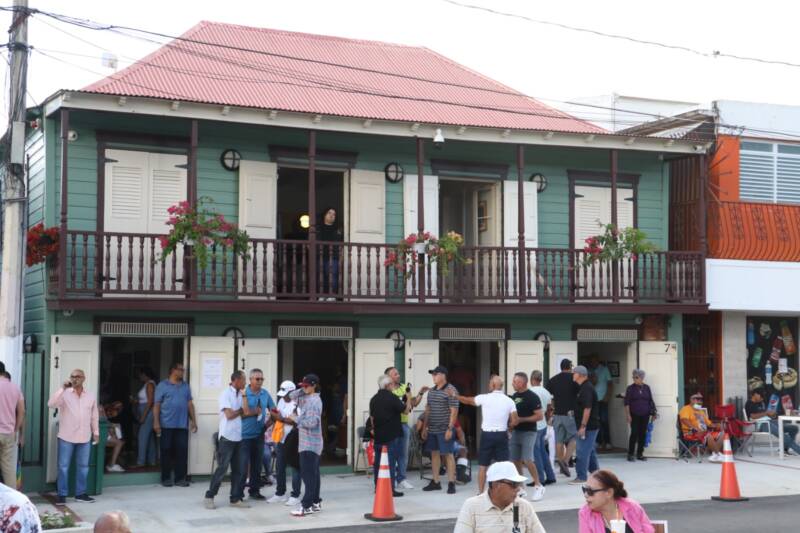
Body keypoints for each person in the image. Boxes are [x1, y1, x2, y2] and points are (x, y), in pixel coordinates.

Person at [451, 375, 518, 494]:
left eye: (489, 383)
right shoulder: (509, 400)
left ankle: (481, 493)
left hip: (487, 436)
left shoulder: (485, 398)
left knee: (483, 466)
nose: (488, 385)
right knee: (503, 466)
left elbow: (468, 400)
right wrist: (509, 430)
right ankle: (502, 492)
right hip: (501, 435)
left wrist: (455, 396)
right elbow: (515, 421)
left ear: (493, 385)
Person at [47, 368, 100, 504]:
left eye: (78, 376)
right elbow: (51, 404)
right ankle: (62, 495)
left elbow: (94, 416)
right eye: (72, 376)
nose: (74, 378)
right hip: (66, 436)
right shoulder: (65, 394)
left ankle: (80, 494)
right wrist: (62, 389)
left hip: (84, 437)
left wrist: (96, 433)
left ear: (83, 378)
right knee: (63, 467)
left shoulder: (90, 396)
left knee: (83, 466)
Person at [454, 461, 547, 533]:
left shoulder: (523, 506)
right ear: (496, 485)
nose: (518, 489)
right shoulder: (472, 506)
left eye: (519, 484)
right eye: (514, 484)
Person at [205, 371, 251, 509]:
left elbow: (246, 411)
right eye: (243, 380)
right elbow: (230, 415)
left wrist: (243, 397)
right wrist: (240, 411)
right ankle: (209, 496)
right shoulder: (225, 394)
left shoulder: (241, 394)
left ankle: (235, 499)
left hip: (238, 437)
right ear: (236, 380)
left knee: (238, 470)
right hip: (227, 437)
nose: (245, 383)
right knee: (222, 468)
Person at [153, 362, 197, 487]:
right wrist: (156, 422)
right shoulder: (162, 385)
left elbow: (190, 404)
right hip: (166, 424)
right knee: (166, 451)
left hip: (182, 425)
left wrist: (193, 420)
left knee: (181, 451)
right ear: (173, 370)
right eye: (180, 370)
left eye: (183, 370)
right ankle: (166, 478)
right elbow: (156, 405)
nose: (183, 372)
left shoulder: (185, 386)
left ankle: (180, 479)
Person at [385, 366, 428, 490]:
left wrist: (420, 393)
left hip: (403, 425)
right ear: (388, 377)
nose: (398, 375)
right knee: (391, 453)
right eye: (395, 374)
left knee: (403, 453)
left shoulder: (405, 388)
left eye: (398, 373)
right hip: (391, 426)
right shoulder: (386, 390)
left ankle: (402, 479)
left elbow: (413, 403)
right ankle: (391, 479)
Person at [369, 374, 410, 496]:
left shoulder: (374, 399)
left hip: (379, 436)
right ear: (387, 385)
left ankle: (378, 487)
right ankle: (390, 489)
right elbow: (406, 411)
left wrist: (374, 430)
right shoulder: (392, 397)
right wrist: (408, 398)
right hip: (391, 436)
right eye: (392, 384)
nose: (394, 386)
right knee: (390, 463)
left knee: (378, 463)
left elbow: (371, 418)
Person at [289, 374, 324, 517]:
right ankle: (316, 502)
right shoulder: (305, 397)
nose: (304, 387)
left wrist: (295, 419)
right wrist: (302, 389)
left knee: (308, 476)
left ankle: (306, 506)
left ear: (314, 385)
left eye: (307, 385)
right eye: (303, 385)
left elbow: (312, 423)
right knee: (314, 475)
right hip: (310, 444)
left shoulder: (314, 402)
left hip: (309, 444)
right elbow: (291, 396)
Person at [421, 365, 459, 494]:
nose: (433, 376)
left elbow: (454, 411)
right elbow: (428, 410)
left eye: (435, 374)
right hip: (432, 429)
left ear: (443, 375)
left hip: (445, 429)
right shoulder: (431, 391)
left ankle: (451, 483)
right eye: (432, 374)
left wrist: (450, 428)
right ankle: (436, 482)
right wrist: (425, 427)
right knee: (434, 454)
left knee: (448, 454)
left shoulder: (450, 390)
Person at [578, 469, 654, 533]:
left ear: (609, 493)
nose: (586, 495)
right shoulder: (586, 513)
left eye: (590, 491)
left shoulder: (632, 507)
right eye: (585, 490)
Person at [240, 368, 275, 501]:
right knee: (242, 466)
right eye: (257, 379)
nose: (260, 381)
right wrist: (253, 411)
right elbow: (240, 413)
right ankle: (238, 494)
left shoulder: (265, 394)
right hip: (243, 435)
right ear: (250, 380)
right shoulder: (243, 393)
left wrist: (267, 425)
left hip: (258, 435)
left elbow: (274, 411)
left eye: (262, 379)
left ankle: (254, 491)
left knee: (256, 465)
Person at [509, 372, 545, 501]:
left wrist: (521, 420)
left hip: (529, 432)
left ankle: (538, 485)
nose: (513, 383)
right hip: (515, 432)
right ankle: (521, 487)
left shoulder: (532, 397)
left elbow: (539, 416)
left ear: (522, 383)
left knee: (527, 459)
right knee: (515, 460)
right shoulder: (514, 396)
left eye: (515, 381)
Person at [267, 380, 302, 506]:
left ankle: (295, 495)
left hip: (293, 439)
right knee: (280, 466)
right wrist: (276, 417)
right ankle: (280, 493)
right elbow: (279, 415)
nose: (283, 396)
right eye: (282, 394)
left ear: (292, 392)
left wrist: (280, 418)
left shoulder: (298, 402)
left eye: (285, 394)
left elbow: (295, 421)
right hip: (281, 438)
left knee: (295, 467)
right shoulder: (282, 401)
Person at [546, 359, 579, 478]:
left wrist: (552, 411)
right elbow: (579, 395)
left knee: (559, 440)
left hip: (557, 414)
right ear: (569, 367)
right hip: (570, 414)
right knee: (575, 437)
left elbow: (550, 397)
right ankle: (565, 462)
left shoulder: (553, 380)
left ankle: (561, 466)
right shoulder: (574, 379)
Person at [745, 389, 800, 455]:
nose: (762, 398)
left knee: (794, 428)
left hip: (770, 421)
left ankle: (784, 449)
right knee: (783, 436)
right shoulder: (749, 403)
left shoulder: (760, 403)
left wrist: (772, 414)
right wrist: (766, 413)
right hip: (762, 425)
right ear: (755, 394)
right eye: (761, 396)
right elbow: (752, 416)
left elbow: (766, 414)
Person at [571, 366, 600, 484]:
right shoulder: (582, 387)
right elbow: (582, 406)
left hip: (588, 426)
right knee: (590, 450)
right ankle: (597, 475)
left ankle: (581, 476)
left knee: (582, 451)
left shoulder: (586, 388)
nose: (573, 374)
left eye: (574, 373)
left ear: (580, 374)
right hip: (588, 425)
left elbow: (587, 408)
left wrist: (583, 426)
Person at [679, 392, 725, 462]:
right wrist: (694, 427)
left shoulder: (701, 411)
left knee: (722, 434)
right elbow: (684, 419)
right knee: (708, 435)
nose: (700, 402)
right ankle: (718, 454)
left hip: (703, 432)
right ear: (692, 400)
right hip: (690, 433)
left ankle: (715, 454)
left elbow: (709, 424)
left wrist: (717, 425)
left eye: (701, 400)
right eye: (698, 400)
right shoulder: (686, 409)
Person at [529, 370, 556, 486]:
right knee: (543, 452)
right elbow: (550, 408)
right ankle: (550, 476)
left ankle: (540, 478)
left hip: (534, 425)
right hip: (543, 424)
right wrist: (548, 418)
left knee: (536, 453)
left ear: (531, 379)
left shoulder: (530, 392)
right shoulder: (546, 392)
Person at [623, 370, 657, 462]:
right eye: (633, 377)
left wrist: (654, 412)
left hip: (645, 414)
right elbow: (626, 403)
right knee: (634, 433)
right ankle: (630, 454)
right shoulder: (630, 388)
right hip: (634, 414)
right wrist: (628, 415)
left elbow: (650, 400)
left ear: (642, 378)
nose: (634, 379)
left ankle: (640, 454)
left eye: (636, 377)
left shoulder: (647, 388)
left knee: (642, 433)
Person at [0, 361, 24, 488]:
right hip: (9, 433)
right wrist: (15, 430)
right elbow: (22, 411)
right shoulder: (15, 387)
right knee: (9, 471)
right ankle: (12, 503)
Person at [134, 367, 157, 468]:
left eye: (140, 374)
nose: (139, 377)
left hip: (148, 413)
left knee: (142, 436)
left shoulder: (150, 384)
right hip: (146, 411)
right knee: (150, 437)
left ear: (145, 375)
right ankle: (152, 461)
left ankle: (140, 462)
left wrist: (143, 416)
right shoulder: (147, 384)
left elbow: (150, 401)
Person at [318, 207, 343, 299]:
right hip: (320, 256)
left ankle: (332, 295)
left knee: (332, 275)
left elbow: (341, 244)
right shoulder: (318, 228)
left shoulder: (338, 229)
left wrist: (341, 256)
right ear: (324, 215)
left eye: (334, 214)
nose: (332, 215)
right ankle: (322, 295)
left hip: (334, 256)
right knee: (321, 275)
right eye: (329, 213)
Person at [589, 356, 613, 451]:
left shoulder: (604, 369)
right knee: (595, 421)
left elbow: (610, 384)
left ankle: (607, 442)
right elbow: (591, 383)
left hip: (603, 399)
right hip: (593, 400)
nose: (592, 362)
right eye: (591, 361)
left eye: (594, 360)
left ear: (598, 360)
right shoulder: (589, 370)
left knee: (604, 420)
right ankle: (598, 442)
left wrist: (607, 396)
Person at [101, 402, 126, 472]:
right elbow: (102, 423)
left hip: (104, 434)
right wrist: (113, 426)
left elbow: (106, 423)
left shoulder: (103, 410)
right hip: (99, 436)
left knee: (120, 441)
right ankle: (111, 465)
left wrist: (112, 428)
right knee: (119, 443)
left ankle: (110, 463)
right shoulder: (100, 409)